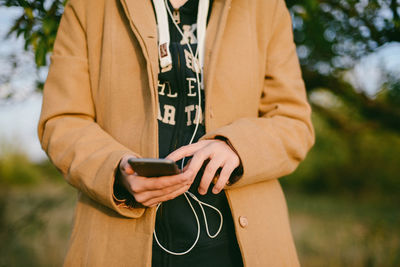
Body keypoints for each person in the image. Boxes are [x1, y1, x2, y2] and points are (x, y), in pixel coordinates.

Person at [37, 0, 314, 266]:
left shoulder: (265, 7)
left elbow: (294, 122)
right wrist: (114, 170)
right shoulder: (88, 6)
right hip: (118, 243)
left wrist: (237, 147)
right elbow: (62, 121)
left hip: (237, 250)